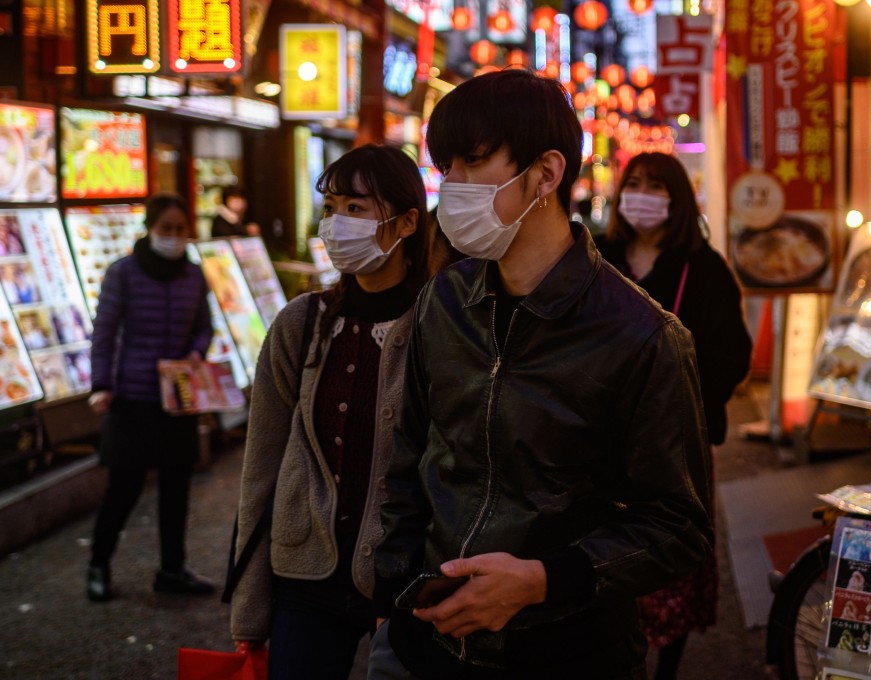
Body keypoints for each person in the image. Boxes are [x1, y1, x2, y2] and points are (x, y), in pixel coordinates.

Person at [369, 69, 713, 680]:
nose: (452, 188)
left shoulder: (642, 335)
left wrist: (542, 581)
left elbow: (678, 526)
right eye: (446, 168)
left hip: (568, 654)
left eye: (473, 162)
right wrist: (394, 589)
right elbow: (410, 455)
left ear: (547, 174)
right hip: (425, 645)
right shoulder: (442, 303)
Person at [229, 144, 434, 680]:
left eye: (356, 209)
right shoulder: (302, 323)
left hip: (406, 575)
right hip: (305, 572)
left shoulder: (438, 327)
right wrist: (249, 604)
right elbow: (262, 466)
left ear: (407, 221)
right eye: (330, 208)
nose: (336, 225)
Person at [594, 152, 752, 680]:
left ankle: (667, 670)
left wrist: (683, 397)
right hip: (595, 436)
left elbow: (733, 354)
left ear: (677, 198)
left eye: (655, 186)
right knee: (601, 550)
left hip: (676, 441)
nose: (640, 194)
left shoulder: (705, 269)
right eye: (633, 183)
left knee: (670, 557)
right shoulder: (594, 256)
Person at [86, 193, 215, 602]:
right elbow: (104, 333)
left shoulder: (193, 275)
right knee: (123, 488)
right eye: (166, 229)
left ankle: (172, 569)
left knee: (176, 488)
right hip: (132, 397)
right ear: (150, 228)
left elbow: (203, 326)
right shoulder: (122, 273)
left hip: (177, 395)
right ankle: (98, 564)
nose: (174, 237)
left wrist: (195, 353)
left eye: (180, 230)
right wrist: (101, 385)